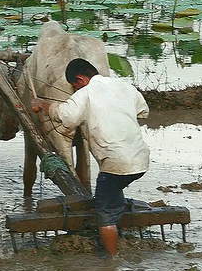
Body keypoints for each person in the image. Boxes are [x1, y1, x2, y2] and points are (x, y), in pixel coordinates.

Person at [31, 58, 150, 258]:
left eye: (74, 86)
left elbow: (67, 117)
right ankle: (118, 212)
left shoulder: (85, 93)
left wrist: (42, 104)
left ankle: (111, 259)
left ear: (80, 79)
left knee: (103, 212)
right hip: (140, 160)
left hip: (116, 163)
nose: (75, 90)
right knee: (113, 191)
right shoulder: (125, 86)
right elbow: (143, 112)